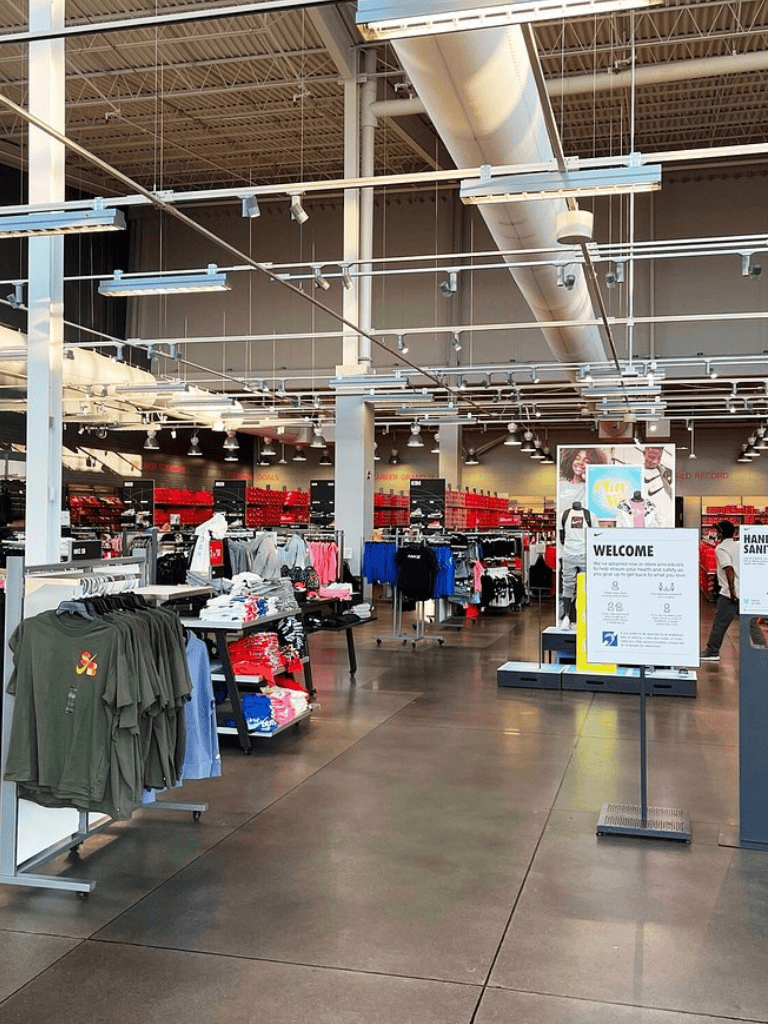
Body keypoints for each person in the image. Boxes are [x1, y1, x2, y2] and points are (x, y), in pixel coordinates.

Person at [701, 520, 739, 661]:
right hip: (743, 590)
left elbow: (729, 569)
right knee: (750, 624)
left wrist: (732, 591)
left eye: (717, 531)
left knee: (720, 623)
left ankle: (712, 651)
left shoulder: (721, 549)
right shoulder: (739, 546)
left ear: (721, 533)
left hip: (729, 593)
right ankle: (761, 647)